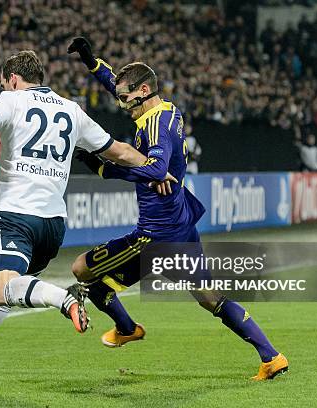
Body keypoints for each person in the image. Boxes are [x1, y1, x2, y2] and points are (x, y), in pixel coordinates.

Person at [0, 50, 166, 374]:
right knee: (10, 290)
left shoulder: (12, 100)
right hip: (53, 225)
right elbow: (119, 151)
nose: (3, 89)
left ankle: (64, 300)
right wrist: (156, 169)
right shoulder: (71, 109)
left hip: (14, 215)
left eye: (3, 84)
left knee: (3, 287)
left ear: (13, 79)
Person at [68, 37, 288, 381]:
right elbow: (116, 85)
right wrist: (92, 62)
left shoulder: (156, 126)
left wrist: (103, 167)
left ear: (143, 90)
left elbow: (156, 170)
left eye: (127, 98)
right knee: (208, 296)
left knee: (82, 270)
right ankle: (271, 355)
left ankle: (127, 328)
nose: (123, 104)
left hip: (156, 233)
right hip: (180, 220)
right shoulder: (165, 110)